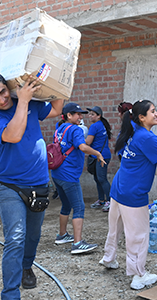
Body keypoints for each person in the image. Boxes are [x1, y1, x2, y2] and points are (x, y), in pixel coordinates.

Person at [0, 71, 64, 299]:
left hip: (38, 183)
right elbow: (13, 135)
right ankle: (10, 293)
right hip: (9, 186)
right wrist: (23, 101)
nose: (1, 100)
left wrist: (57, 82)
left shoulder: (27, 101)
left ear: (8, 87)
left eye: (3, 92)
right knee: (15, 238)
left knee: (33, 236)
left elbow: (55, 109)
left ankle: (27, 266)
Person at [99, 100, 157, 290]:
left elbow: (127, 116)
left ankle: (109, 258)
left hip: (119, 188)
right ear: (141, 117)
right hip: (133, 193)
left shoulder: (132, 129)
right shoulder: (147, 138)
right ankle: (138, 275)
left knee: (115, 228)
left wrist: (129, 109)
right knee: (138, 235)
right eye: (152, 112)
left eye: (156, 110)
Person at [52, 102, 105, 254]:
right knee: (79, 207)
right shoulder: (75, 129)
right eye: (78, 114)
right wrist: (97, 153)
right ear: (69, 115)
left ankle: (62, 235)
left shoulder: (59, 127)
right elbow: (82, 147)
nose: (81, 116)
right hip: (69, 175)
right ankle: (77, 243)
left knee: (66, 205)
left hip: (57, 173)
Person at [86, 106, 113, 212]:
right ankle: (101, 200)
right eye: (90, 114)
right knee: (98, 178)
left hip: (100, 156)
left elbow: (88, 142)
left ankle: (110, 201)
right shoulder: (102, 124)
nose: (90, 116)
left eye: (92, 114)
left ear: (99, 116)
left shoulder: (94, 126)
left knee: (101, 179)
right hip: (103, 155)